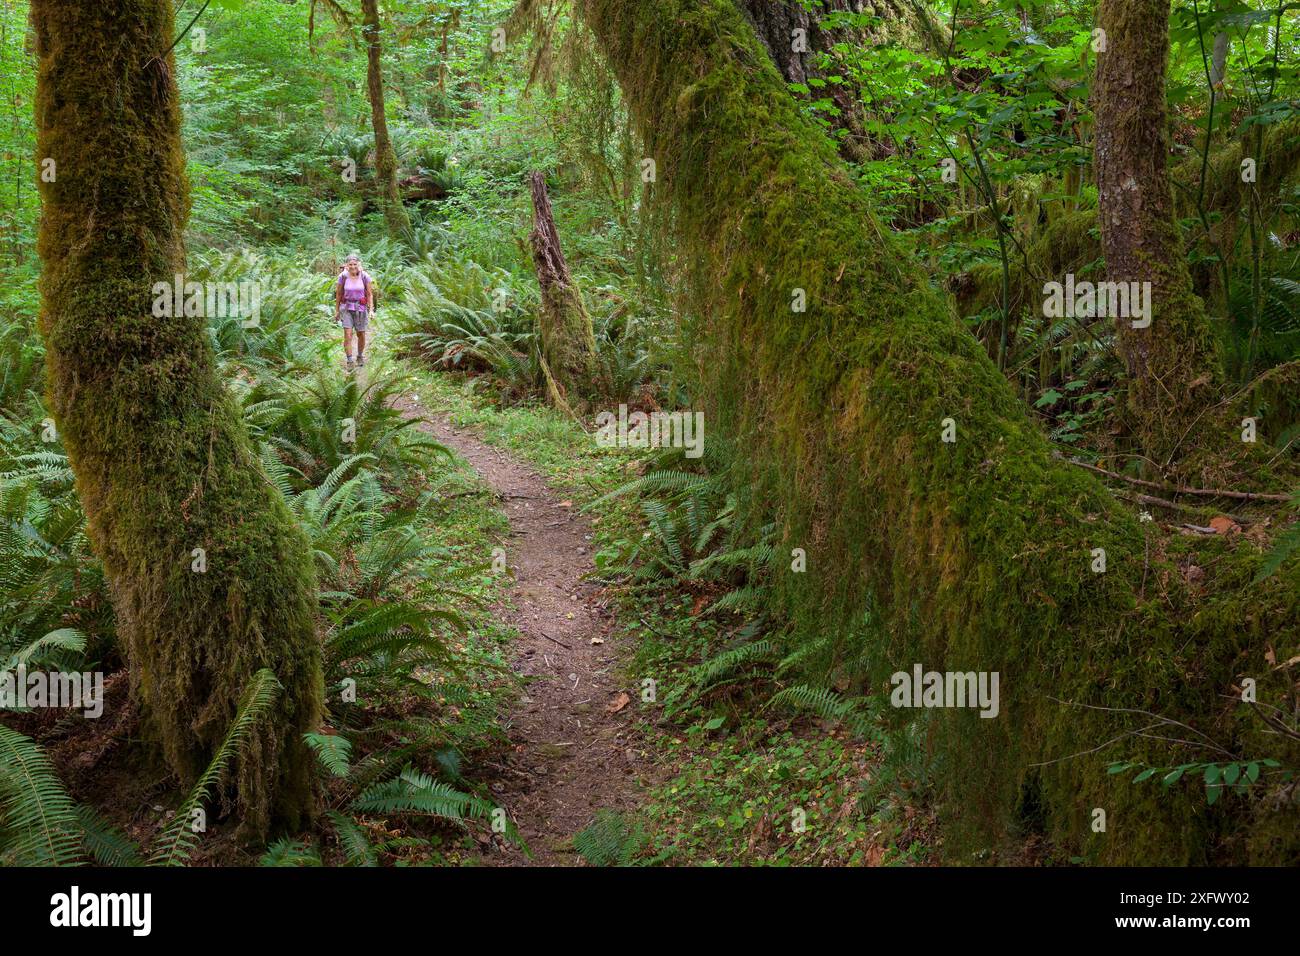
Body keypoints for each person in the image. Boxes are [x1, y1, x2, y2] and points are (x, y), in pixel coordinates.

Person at [335, 253, 376, 371]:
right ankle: (349, 360)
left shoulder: (365, 276)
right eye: (350, 264)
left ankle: (359, 356)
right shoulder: (342, 276)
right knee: (347, 335)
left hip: (361, 309)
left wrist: (371, 310)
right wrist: (337, 311)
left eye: (355, 264)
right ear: (346, 265)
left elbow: (369, 294)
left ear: (358, 264)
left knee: (361, 334)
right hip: (346, 308)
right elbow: (338, 294)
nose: (353, 266)